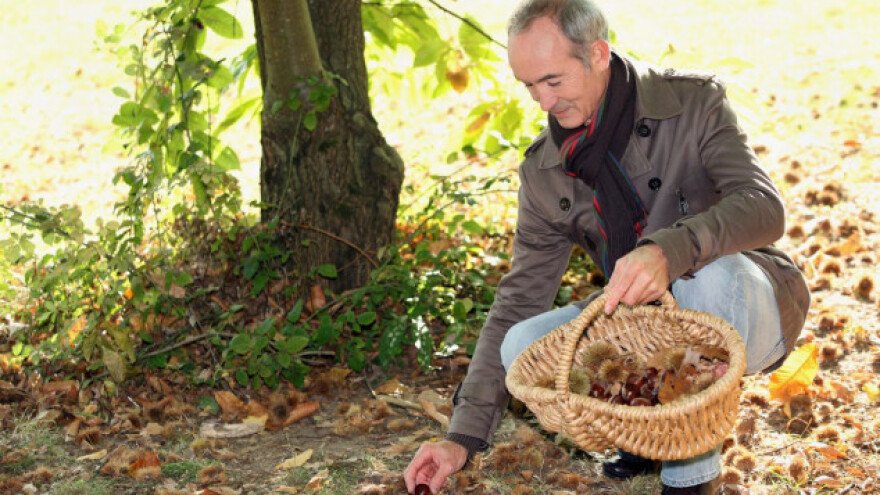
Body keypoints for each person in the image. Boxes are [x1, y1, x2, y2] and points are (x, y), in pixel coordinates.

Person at [403, 0, 810, 493]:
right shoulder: (545, 169)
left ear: (598, 53)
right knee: (521, 344)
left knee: (705, 274)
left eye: (553, 81)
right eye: (529, 86)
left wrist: (670, 251)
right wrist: (461, 437)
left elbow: (765, 207)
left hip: (743, 310)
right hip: (641, 330)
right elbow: (519, 299)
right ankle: (640, 425)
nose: (543, 102)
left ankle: (690, 478)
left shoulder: (692, 104)